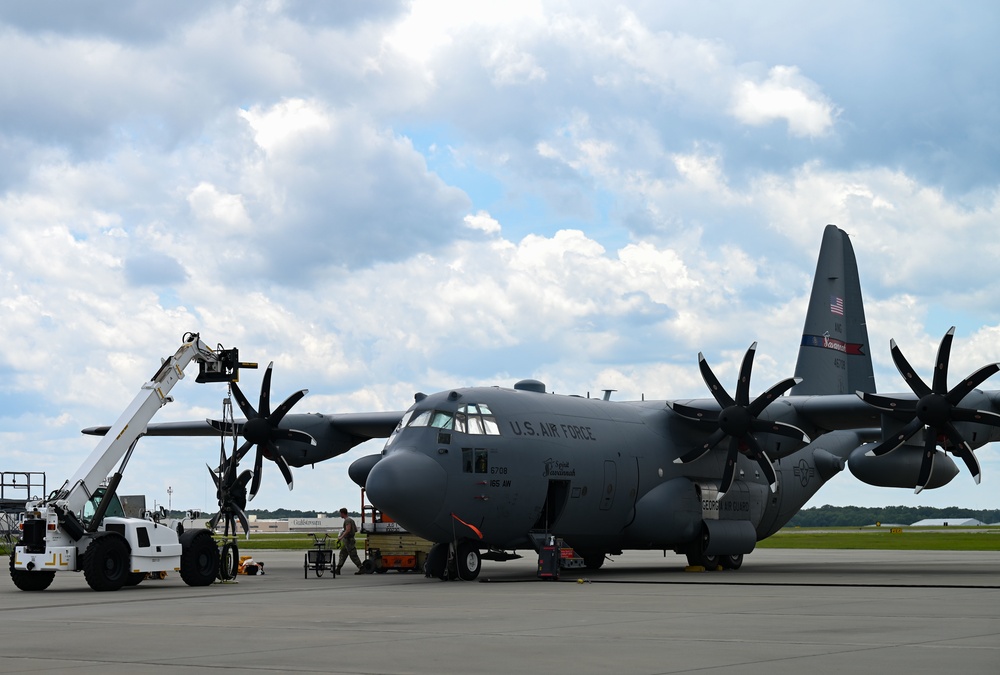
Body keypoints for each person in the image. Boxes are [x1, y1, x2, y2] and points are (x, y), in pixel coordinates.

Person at [336, 507, 364, 575]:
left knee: (353, 555)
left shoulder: (347, 520)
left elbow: (348, 530)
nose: (340, 515)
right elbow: (356, 530)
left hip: (348, 541)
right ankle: (338, 569)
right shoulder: (351, 520)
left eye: (340, 514)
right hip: (348, 540)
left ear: (343, 513)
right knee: (343, 554)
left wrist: (341, 537)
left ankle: (361, 568)